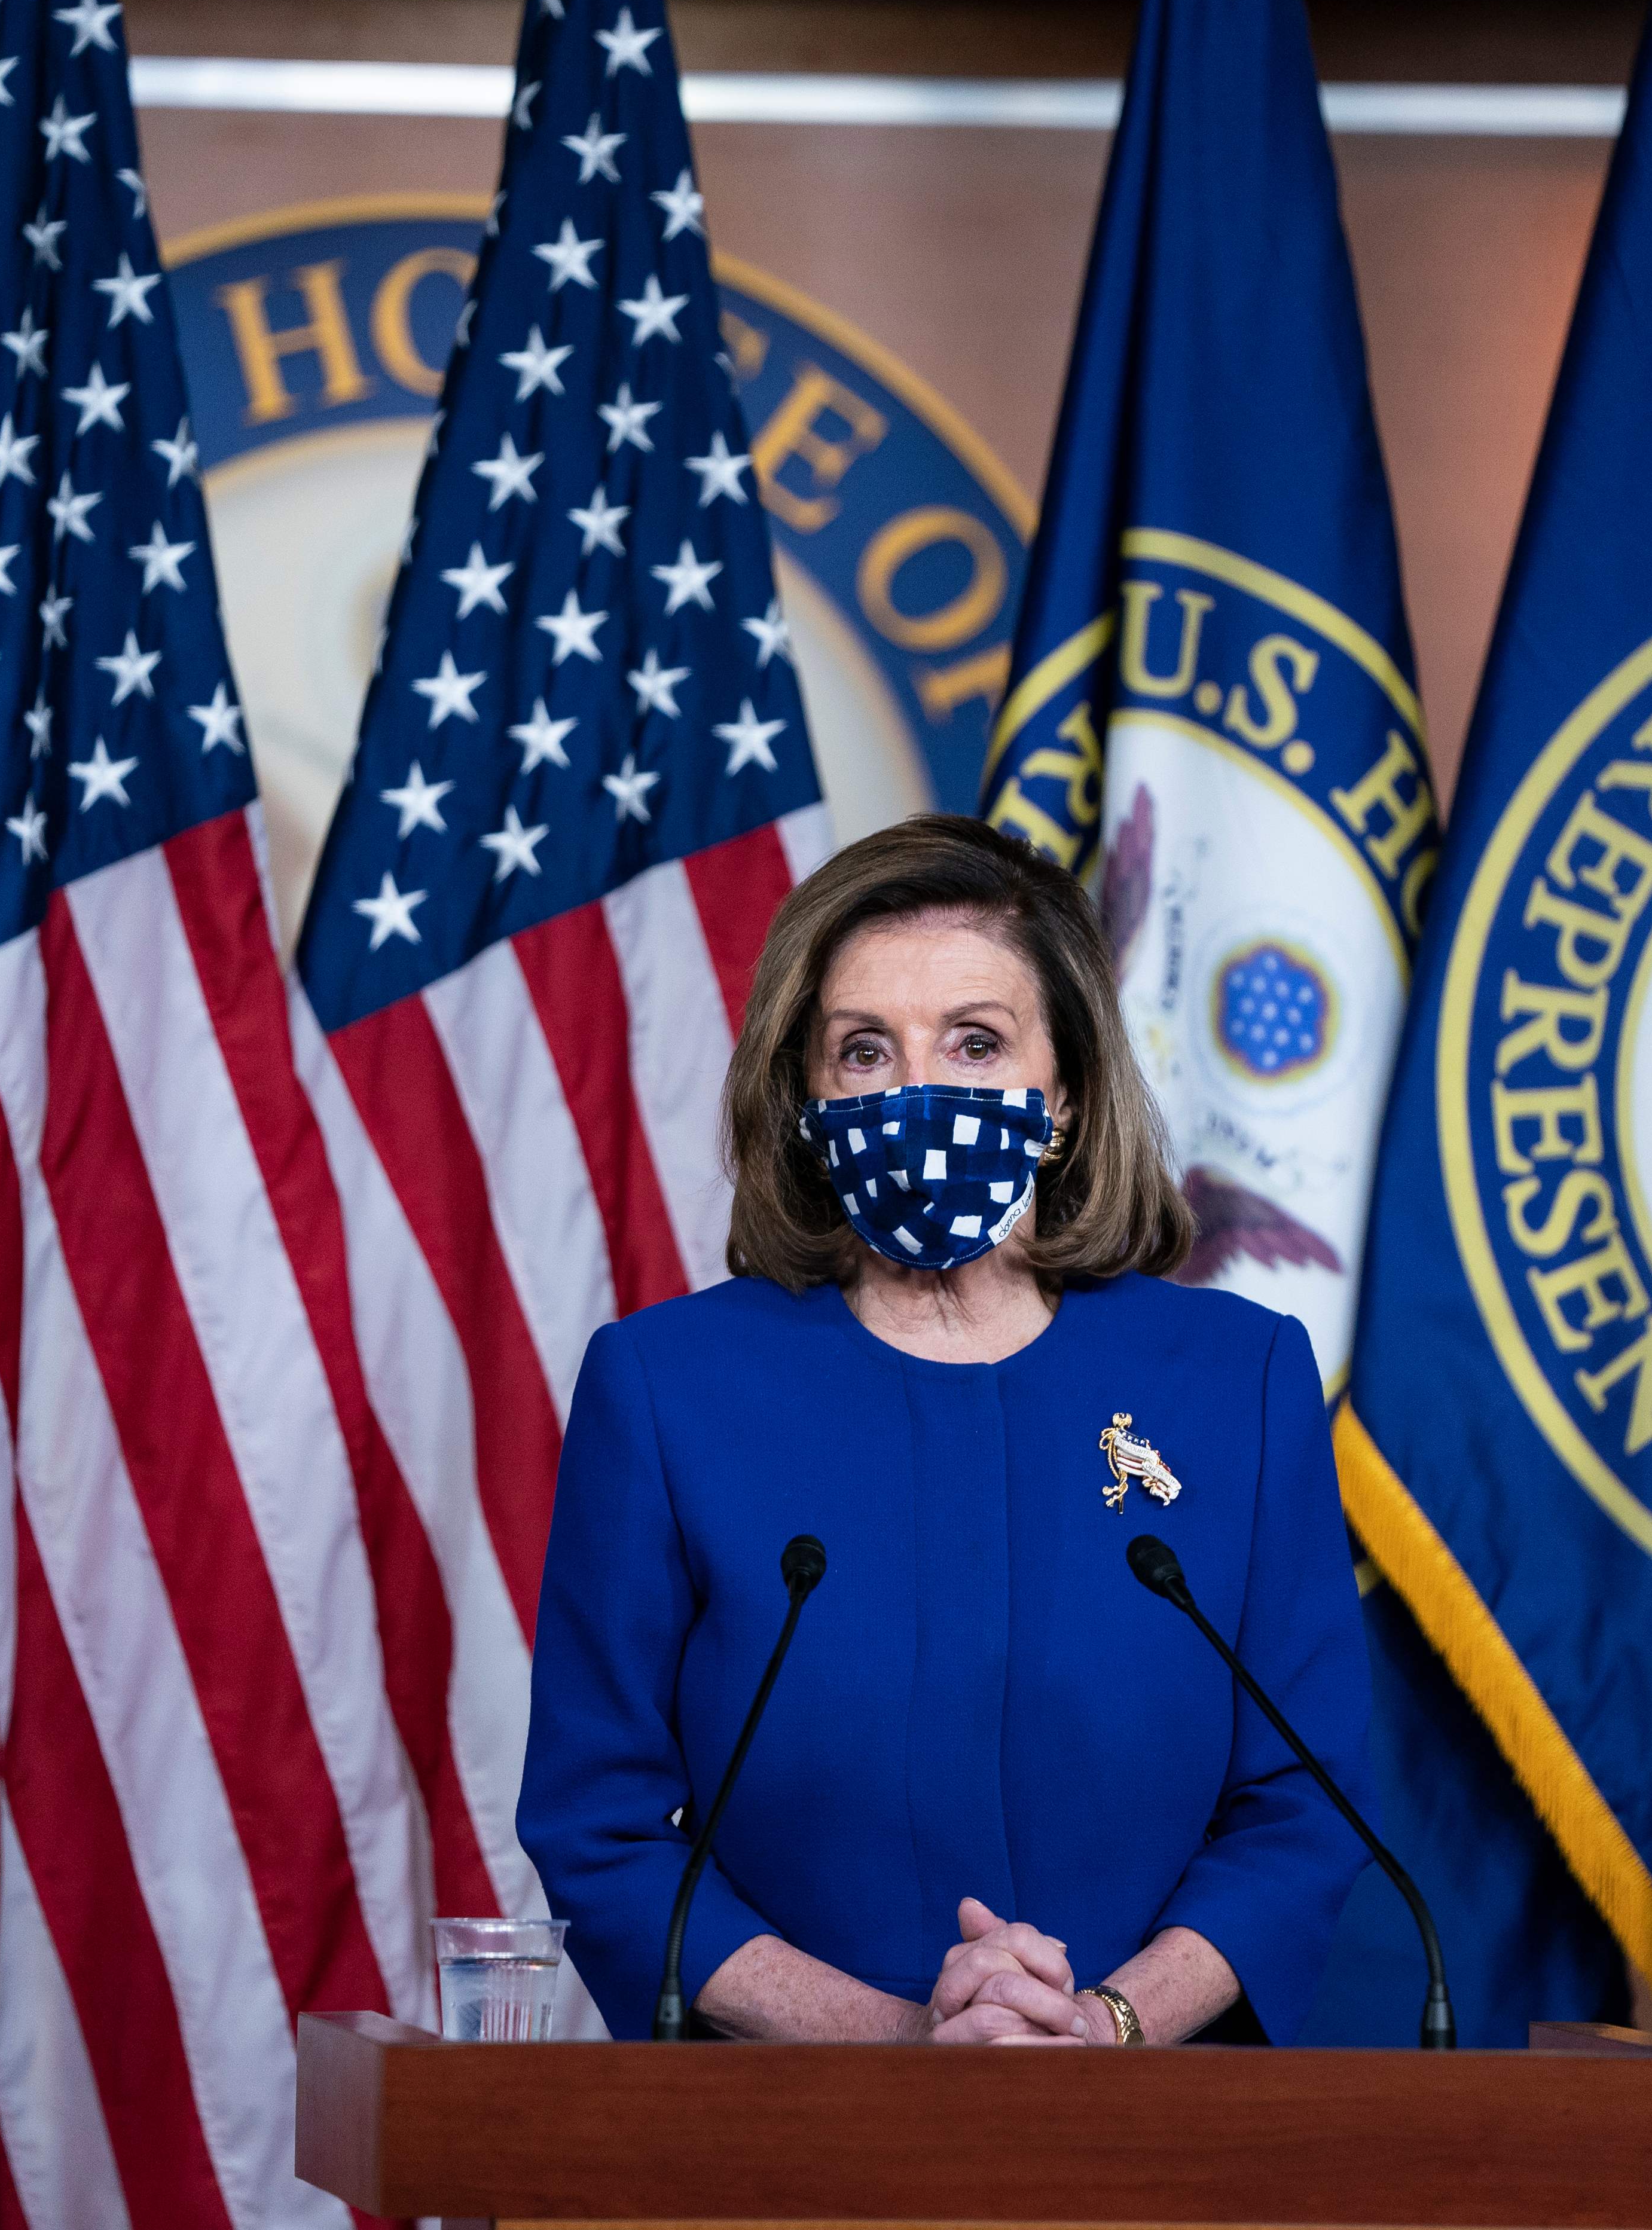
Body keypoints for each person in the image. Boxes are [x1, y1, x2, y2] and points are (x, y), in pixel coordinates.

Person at [518, 814, 1371, 2045]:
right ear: (808, 1098)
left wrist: (1106, 2024)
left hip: (1157, 2136)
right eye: (866, 1050)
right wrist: (900, 2044)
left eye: (976, 1041)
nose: (920, 1089)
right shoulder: (668, 1387)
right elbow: (598, 1821)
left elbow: (1305, 1798)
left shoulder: (1235, 1379)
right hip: (782, 2142)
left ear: (1067, 1093)